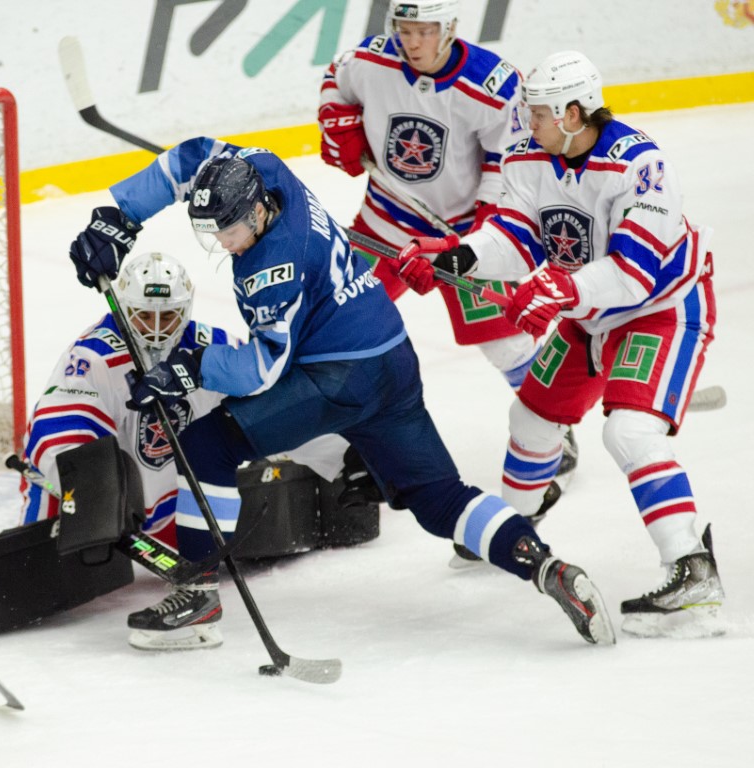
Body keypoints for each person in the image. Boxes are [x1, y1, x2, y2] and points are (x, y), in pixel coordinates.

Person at [68, 136, 616, 647]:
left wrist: (190, 366)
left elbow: (263, 368)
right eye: (212, 230)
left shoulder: (271, 270)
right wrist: (121, 214)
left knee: (207, 446)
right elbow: (194, 157)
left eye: (229, 231)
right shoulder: (263, 169)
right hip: (391, 357)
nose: (222, 242)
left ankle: (198, 599)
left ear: (258, 212)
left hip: (337, 378)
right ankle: (544, 564)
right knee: (436, 497)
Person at [0, 251, 368, 652]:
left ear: (188, 309)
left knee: (246, 479)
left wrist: (345, 452)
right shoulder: (93, 356)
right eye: (143, 315)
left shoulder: (214, 348)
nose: (156, 327)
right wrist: (96, 493)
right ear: (123, 310)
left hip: (169, 504)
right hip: (99, 506)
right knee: (70, 533)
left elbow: (281, 406)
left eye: (168, 315)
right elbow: (58, 427)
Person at [395, 50, 723, 637]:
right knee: (531, 418)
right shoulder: (529, 154)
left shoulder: (638, 166)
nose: (528, 120)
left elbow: (635, 273)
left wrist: (558, 289)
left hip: (660, 311)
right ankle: (511, 531)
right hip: (588, 311)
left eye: (540, 111)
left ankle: (693, 572)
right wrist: (459, 257)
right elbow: (516, 233)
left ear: (576, 112)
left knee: (628, 432)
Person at [318, 1, 576, 559]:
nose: (413, 41)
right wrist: (337, 119)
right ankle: (341, 441)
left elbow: (509, 160)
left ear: (450, 29)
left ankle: (552, 421)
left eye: (424, 31)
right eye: (405, 30)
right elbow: (336, 76)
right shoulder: (371, 60)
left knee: (506, 339)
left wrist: (483, 229)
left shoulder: (492, 83)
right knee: (340, 320)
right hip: (386, 220)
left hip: (460, 237)